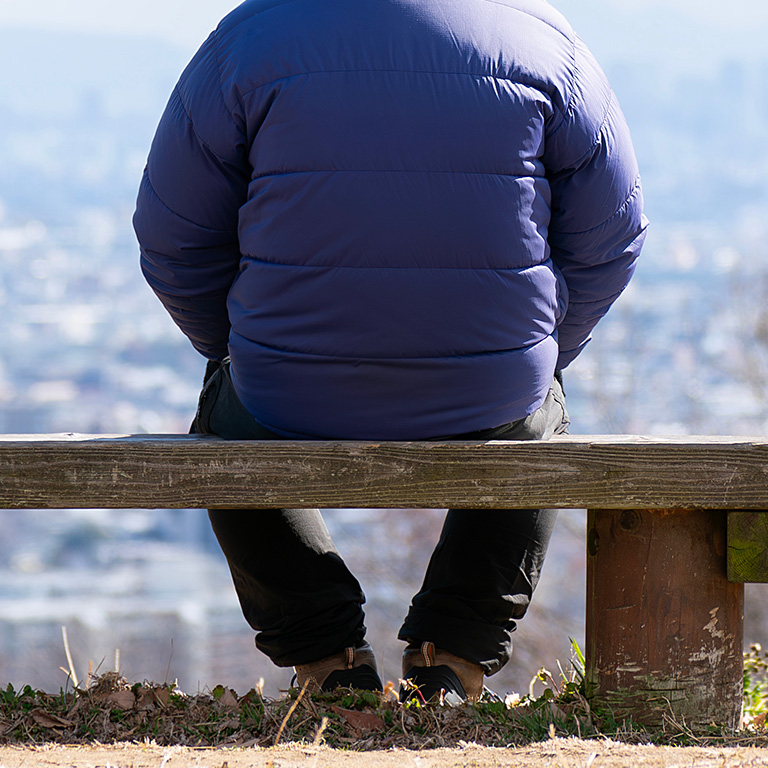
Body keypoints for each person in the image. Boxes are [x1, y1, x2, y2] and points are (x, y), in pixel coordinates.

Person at [134, 0, 647, 703]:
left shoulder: (250, 37)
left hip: (287, 386)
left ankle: (326, 656)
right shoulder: (540, 35)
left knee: (226, 417)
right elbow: (612, 237)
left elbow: (172, 238)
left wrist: (240, 349)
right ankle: (455, 656)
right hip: (493, 388)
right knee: (535, 416)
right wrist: (539, 350)